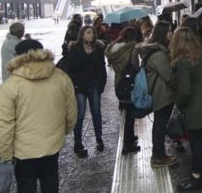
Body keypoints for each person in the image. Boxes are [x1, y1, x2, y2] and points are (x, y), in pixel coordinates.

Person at [0, 39, 77, 193]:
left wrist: (5, 152)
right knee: (50, 178)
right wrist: (64, 131)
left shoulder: (11, 85)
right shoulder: (60, 77)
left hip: (24, 149)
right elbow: (71, 110)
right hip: (52, 143)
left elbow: (4, 123)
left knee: (26, 187)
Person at [170, 27, 202, 190]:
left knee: (196, 142)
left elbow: (185, 91)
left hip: (195, 106)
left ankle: (196, 177)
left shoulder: (183, 62)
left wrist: (178, 103)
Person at [136, 21, 177, 167]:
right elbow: (169, 77)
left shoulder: (156, 51)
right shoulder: (158, 54)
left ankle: (159, 155)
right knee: (160, 124)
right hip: (162, 95)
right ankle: (158, 156)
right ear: (162, 33)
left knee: (159, 123)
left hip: (160, 93)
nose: (171, 34)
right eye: (169, 31)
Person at [65, 26, 107, 157]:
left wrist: (102, 84)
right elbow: (72, 66)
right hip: (80, 85)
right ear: (82, 35)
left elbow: (101, 67)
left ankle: (99, 138)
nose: (92, 35)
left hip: (94, 84)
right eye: (89, 33)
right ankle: (78, 143)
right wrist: (86, 56)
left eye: (93, 33)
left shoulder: (98, 48)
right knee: (80, 114)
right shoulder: (74, 48)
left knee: (96, 112)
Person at [106, 27, 141, 155]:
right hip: (130, 85)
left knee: (128, 114)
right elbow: (135, 67)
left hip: (119, 84)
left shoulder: (114, 48)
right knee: (130, 115)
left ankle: (130, 137)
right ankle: (128, 144)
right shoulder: (132, 49)